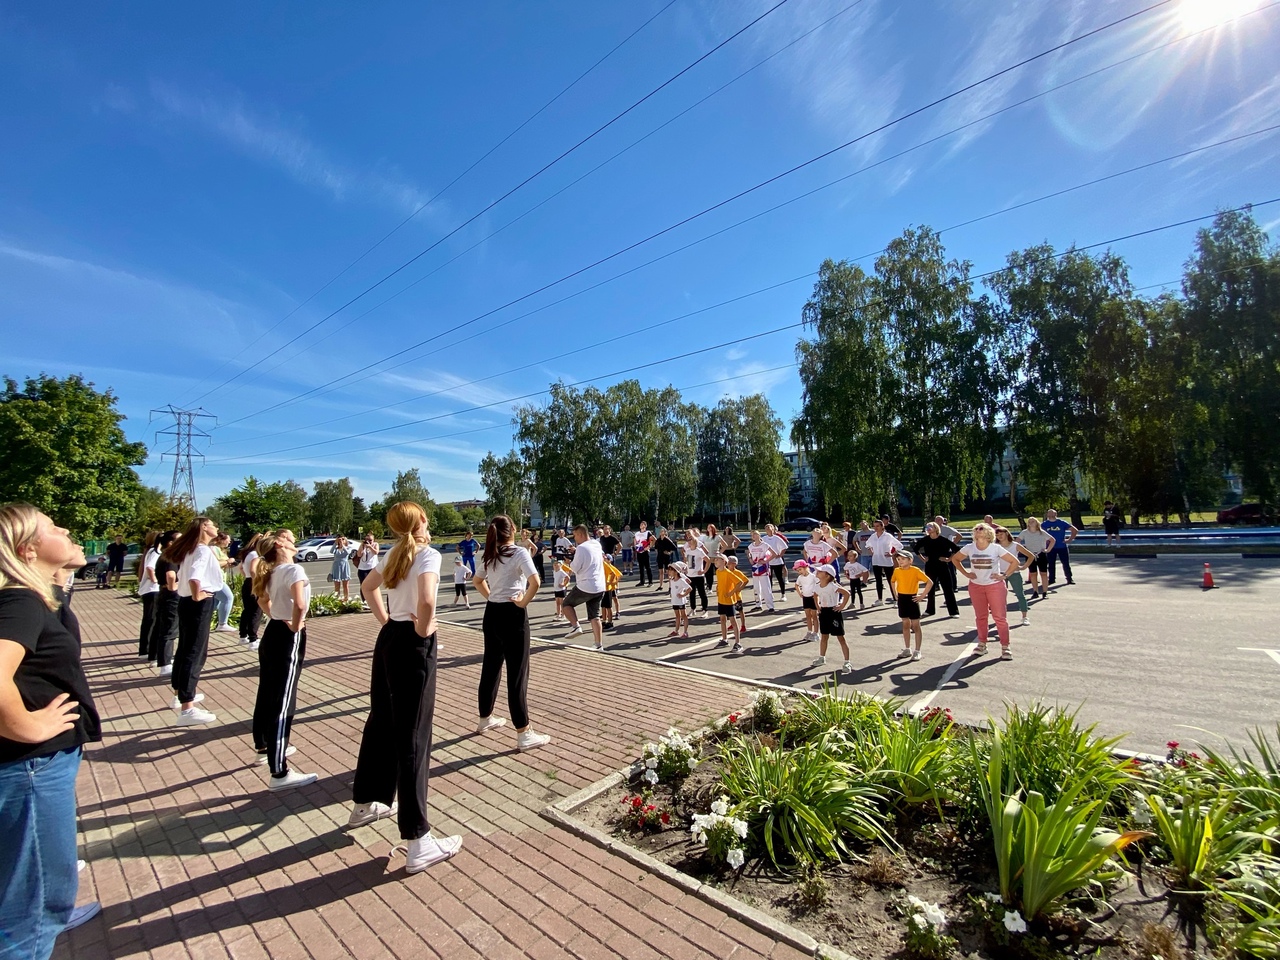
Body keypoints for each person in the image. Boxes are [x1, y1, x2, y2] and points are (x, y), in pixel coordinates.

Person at [0, 504, 104, 953]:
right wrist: (26, 725)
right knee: (35, 907)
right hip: (30, 767)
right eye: (54, 528)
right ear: (27, 550)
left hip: (35, 768)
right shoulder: (20, 601)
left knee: (31, 890)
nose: (67, 529)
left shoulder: (34, 595)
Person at [351, 502, 461, 872]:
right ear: (423, 522)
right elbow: (427, 601)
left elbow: (368, 588)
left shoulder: (393, 554)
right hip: (411, 642)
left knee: (381, 719)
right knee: (414, 734)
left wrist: (388, 621)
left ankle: (366, 802)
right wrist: (423, 630)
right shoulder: (426, 555)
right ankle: (418, 840)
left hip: (390, 638)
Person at [472, 515, 550, 751]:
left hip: (492, 612)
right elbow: (534, 581)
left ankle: (485, 718)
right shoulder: (518, 553)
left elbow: (477, 581)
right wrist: (522, 601)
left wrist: (492, 597)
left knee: (491, 666)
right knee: (517, 673)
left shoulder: (489, 553)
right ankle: (523, 731)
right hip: (512, 614)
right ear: (513, 530)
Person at [249, 530, 317, 791]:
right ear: (279, 545)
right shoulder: (292, 571)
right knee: (284, 699)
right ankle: (278, 772)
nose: (293, 542)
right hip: (288, 634)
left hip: (273, 631)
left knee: (268, 691)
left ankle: (265, 747)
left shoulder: (271, 571)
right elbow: (300, 605)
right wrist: (296, 626)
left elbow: (262, 600)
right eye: (289, 540)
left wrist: (279, 617)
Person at [166, 517, 222, 726]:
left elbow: (185, 574)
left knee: (185, 648)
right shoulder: (202, 550)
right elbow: (195, 576)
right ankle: (187, 708)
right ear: (204, 528)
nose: (216, 527)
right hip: (197, 603)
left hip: (186, 602)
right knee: (195, 651)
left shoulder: (191, 549)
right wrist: (197, 594)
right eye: (213, 524)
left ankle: (180, 693)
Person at [952, 522, 1019, 660]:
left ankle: (1005, 646)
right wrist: (966, 573)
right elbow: (955, 559)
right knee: (981, 617)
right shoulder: (969, 547)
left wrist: (1004, 575)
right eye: (976, 529)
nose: (978, 531)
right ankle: (982, 644)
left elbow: (1015, 562)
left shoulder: (995, 548)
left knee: (999, 617)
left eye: (981, 529)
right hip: (976, 586)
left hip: (995, 586)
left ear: (988, 534)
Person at [562, 525, 607, 651]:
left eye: (575, 535)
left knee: (566, 604)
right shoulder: (596, 544)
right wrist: (576, 552)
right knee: (594, 615)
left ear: (581, 534)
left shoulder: (581, 548)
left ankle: (576, 626)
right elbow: (590, 555)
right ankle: (599, 644)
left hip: (586, 585)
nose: (574, 538)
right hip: (599, 585)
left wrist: (568, 562)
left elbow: (575, 568)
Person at [890, 550, 932, 662]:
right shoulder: (897, 571)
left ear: (910, 560)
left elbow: (929, 582)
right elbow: (893, 581)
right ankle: (907, 648)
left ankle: (917, 651)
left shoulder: (915, 570)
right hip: (902, 599)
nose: (900, 561)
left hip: (912, 598)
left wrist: (922, 596)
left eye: (903, 559)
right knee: (905, 624)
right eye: (898, 559)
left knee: (916, 625)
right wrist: (895, 594)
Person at [810, 564, 852, 673]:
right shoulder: (817, 586)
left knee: (840, 638)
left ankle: (847, 662)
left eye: (820, 571)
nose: (817, 573)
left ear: (827, 576)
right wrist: (818, 606)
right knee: (824, 636)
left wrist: (841, 606)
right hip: (824, 612)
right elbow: (815, 595)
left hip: (834, 612)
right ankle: (822, 657)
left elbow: (846, 593)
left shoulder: (832, 586)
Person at [149, 531, 180, 677]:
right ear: (171, 543)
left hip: (163, 593)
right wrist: (175, 586)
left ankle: (155, 657)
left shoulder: (164, 555)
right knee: (169, 629)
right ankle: (166, 664)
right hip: (171, 595)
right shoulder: (171, 556)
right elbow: (170, 575)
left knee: (160, 627)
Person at [913, 523, 960, 618]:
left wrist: (948, 559)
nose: (929, 528)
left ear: (936, 528)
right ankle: (930, 610)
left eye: (931, 527)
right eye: (927, 527)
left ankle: (953, 611)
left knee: (947, 588)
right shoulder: (925, 540)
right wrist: (923, 559)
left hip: (942, 566)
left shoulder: (943, 540)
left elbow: (956, 549)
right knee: (930, 588)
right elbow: (916, 548)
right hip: (930, 565)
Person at [995, 526, 1036, 627]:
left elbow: (1031, 556)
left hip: (1014, 573)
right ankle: (1001, 618)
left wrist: (1023, 567)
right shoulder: (995, 546)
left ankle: (1024, 616)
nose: (1000, 536)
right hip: (1000, 574)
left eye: (1002, 534)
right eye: (997, 534)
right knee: (1000, 597)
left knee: (1020, 594)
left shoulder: (1015, 545)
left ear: (1007, 534)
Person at [712, 556, 748, 654]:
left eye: (717, 559)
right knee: (722, 619)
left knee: (733, 621)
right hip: (721, 600)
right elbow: (720, 583)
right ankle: (724, 640)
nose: (715, 561)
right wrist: (718, 588)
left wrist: (732, 593)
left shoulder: (728, 573)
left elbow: (739, 582)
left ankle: (738, 643)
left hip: (729, 601)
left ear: (723, 561)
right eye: (715, 559)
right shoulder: (718, 572)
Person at [1015, 517, 1055, 601]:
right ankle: (1035, 591)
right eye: (1029, 522)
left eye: (1033, 521)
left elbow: (1052, 540)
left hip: (1041, 554)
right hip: (1030, 555)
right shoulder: (1024, 532)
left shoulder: (1042, 532)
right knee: (1033, 574)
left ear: (1037, 523)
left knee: (1043, 573)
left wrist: (1048, 550)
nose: (1031, 523)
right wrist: (1022, 549)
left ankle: (1044, 592)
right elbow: (1016, 542)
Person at [136, 531, 161, 660]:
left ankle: (145, 649)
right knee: (151, 619)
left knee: (149, 619)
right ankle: (145, 649)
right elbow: (150, 568)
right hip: (152, 589)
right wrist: (156, 580)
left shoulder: (150, 551)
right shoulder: (154, 552)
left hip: (149, 589)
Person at [865, 519, 902, 605]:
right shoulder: (873, 536)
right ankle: (880, 599)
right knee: (878, 581)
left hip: (886, 561)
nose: (875, 528)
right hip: (876, 560)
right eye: (874, 526)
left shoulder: (888, 536)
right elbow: (867, 544)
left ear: (882, 526)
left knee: (891, 580)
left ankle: (896, 599)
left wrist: (892, 554)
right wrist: (870, 549)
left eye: (877, 526)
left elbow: (899, 546)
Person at [238, 533, 265, 650]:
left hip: (247, 582)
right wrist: (256, 582)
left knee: (248, 610)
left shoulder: (247, 554)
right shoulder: (256, 555)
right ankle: (253, 639)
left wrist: (248, 577)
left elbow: (241, 568)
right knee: (256, 611)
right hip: (253, 583)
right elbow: (253, 570)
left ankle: (243, 636)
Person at [1040, 509, 1078, 586]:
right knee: (1051, 564)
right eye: (1049, 513)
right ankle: (1051, 579)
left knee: (1065, 563)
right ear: (1047, 515)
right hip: (1050, 547)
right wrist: (1044, 541)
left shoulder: (1061, 523)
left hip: (1061, 546)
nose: (1050, 515)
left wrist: (1069, 539)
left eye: (1052, 513)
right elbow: (1039, 533)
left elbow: (1074, 530)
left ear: (1056, 514)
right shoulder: (1044, 524)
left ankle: (1069, 578)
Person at [209, 533, 236, 633]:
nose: (229, 542)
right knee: (228, 598)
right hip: (216, 580)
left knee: (215, 603)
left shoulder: (219, 550)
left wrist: (228, 564)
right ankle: (222, 624)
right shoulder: (213, 549)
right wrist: (228, 561)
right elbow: (215, 564)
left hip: (219, 578)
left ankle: (204, 622)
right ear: (220, 540)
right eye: (228, 540)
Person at [746, 530, 777, 613]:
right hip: (755, 568)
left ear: (759, 535)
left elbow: (773, 553)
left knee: (766, 587)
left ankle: (770, 606)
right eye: (752, 535)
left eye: (755, 534)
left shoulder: (764, 545)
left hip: (763, 568)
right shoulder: (750, 546)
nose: (753, 536)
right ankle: (758, 605)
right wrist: (750, 559)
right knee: (756, 587)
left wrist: (766, 561)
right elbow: (749, 553)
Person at [682, 531, 710, 618]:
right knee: (691, 593)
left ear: (694, 541)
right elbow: (686, 561)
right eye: (688, 541)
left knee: (702, 593)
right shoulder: (688, 551)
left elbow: (708, 560)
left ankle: (705, 610)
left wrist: (704, 571)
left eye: (691, 540)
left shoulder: (699, 551)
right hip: (690, 575)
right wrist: (685, 568)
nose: (689, 542)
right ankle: (693, 608)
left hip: (698, 576)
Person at [794, 560, 820, 642]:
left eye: (800, 569)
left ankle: (816, 633)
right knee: (808, 616)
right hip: (805, 597)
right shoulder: (800, 578)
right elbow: (796, 585)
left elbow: (819, 584)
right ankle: (809, 631)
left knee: (814, 616)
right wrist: (800, 593)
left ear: (806, 568)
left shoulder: (813, 576)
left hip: (813, 598)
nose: (799, 572)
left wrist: (816, 594)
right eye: (798, 570)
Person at [665, 561, 691, 639]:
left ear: (676, 571)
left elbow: (689, 588)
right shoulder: (672, 580)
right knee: (677, 616)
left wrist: (683, 595)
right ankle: (676, 631)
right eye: (669, 570)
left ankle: (685, 632)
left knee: (684, 615)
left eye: (671, 570)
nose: (669, 571)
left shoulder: (681, 580)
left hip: (680, 601)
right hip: (674, 601)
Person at [763, 524, 790, 599]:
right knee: (769, 579)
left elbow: (784, 547)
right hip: (768, 562)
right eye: (766, 527)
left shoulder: (777, 538)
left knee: (779, 578)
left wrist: (780, 555)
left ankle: (783, 594)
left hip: (777, 561)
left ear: (773, 529)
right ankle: (770, 594)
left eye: (770, 527)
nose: (768, 528)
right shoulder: (764, 538)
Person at [600, 554, 622, 630]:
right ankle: (604, 620)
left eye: (606, 558)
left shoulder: (605, 565)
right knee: (603, 606)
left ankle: (610, 622)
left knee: (609, 606)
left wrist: (610, 582)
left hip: (608, 588)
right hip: (602, 588)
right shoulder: (599, 564)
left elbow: (614, 573)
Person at [329, 535, 353, 601]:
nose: (341, 540)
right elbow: (331, 551)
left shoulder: (348, 548)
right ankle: (337, 599)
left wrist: (343, 545)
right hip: (336, 567)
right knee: (337, 586)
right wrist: (335, 543)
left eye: (343, 539)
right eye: (340, 539)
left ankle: (346, 598)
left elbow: (347, 553)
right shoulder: (336, 549)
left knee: (345, 585)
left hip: (344, 566)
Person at [634, 521, 653, 586]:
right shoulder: (637, 533)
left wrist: (649, 547)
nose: (641, 526)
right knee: (641, 567)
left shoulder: (648, 533)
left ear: (645, 526)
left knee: (647, 567)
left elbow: (653, 540)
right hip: (639, 551)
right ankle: (642, 581)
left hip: (645, 551)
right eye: (640, 524)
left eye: (643, 524)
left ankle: (650, 582)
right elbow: (635, 541)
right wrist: (635, 547)